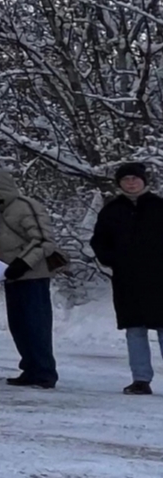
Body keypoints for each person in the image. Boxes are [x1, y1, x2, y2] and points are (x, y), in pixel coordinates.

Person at [0, 166, 60, 389]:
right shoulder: (2, 213)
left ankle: (44, 370)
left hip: (32, 275)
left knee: (36, 324)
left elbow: (44, 240)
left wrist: (22, 263)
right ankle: (31, 368)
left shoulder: (25, 207)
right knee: (20, 325)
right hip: (13, 276)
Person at [90, 162, 163, 395]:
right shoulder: (112, 210)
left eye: (135, 178)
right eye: (126, 179)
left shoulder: (158, 207)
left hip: (159, 278)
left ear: (143, 180)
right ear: (119, 183)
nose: (131, 183)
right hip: (127, 279)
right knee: (134, 329)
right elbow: (99, 241)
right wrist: (112, 259)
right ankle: (141, 379)